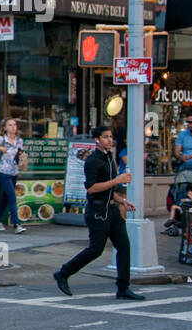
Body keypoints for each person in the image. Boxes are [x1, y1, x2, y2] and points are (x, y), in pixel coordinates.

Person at [53, 125, 144, 300]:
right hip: (97, 210)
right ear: (97, 140)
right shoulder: (93, 160)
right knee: (96, 249)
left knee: (124, 247)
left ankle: (123, 288)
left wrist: (123, 201)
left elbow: (110, 189)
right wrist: (117, 180)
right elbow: (92, 188)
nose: (109, 140)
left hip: (112, 209)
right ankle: (63, 273)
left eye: (110, 137)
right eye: (105, 137)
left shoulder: (109, 158)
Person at [0, 118, 27, 234]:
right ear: (5, 128)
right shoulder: (1, 140)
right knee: (12, 197)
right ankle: (17, 224)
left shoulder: (19, 141)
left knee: (6, 198)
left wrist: (23, 161)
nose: (13, 127)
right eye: (10, 125)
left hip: (14, 172)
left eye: (15, 125)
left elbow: (20, 155)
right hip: (4, 172)